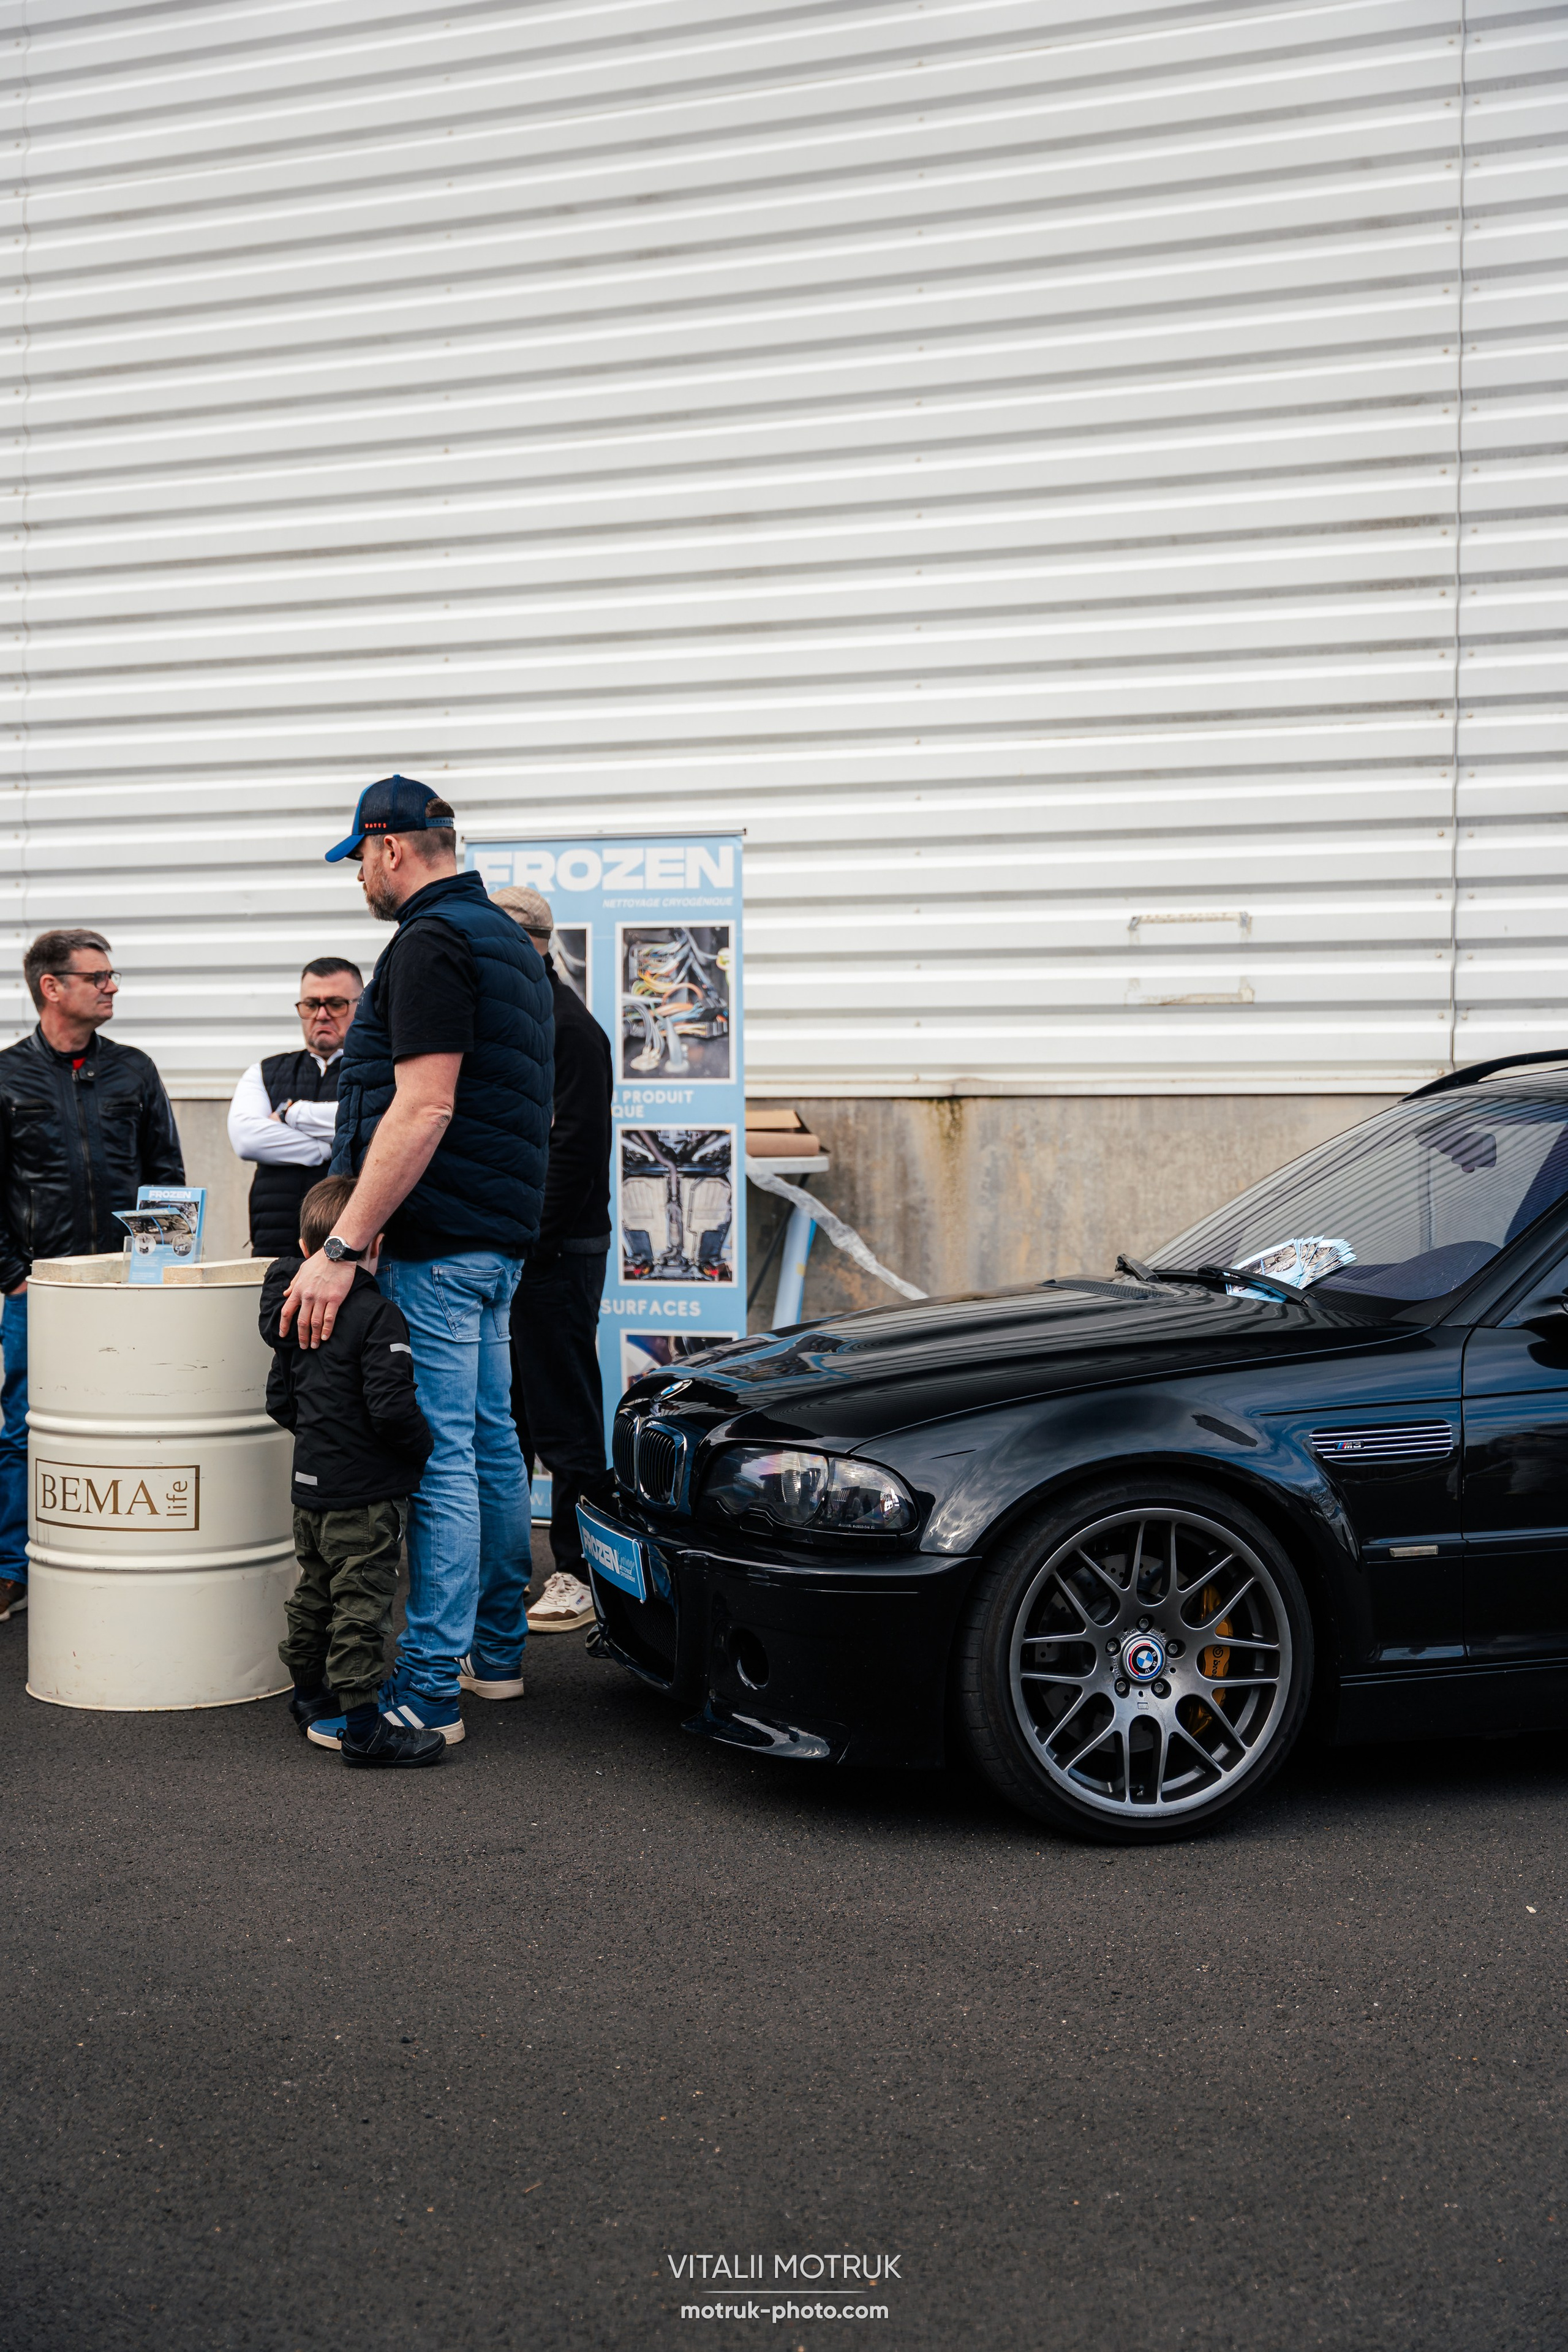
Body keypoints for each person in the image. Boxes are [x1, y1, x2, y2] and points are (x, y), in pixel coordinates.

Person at [281, 775, 552, 1744]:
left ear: (391, 847)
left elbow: (426, 1105)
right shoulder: (510, 950)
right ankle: (497, 1656)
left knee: (438, 1462)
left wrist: (343, 1244)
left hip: (435, 1249)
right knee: (484, 1448)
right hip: (494, 1241)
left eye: (357, 856)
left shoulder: (430, 942)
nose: (358, 874)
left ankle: (428, 1694)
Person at [0, 929, 184, 1624]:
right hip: (39, 1292)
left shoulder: (134, 1070)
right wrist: (14, 1275)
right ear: (53, 987)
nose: (112, 986)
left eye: (112, 976)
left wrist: (159, 1273)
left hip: (128, 1289)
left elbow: (166, 1174)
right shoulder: (6, 1077)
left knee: (139, 1419)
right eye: (98, 976)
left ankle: (123, 1553)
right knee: (25, 1428)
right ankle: (13, 1569)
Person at [260, 1172, 442, 1768]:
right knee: (361, 1606)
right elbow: (392, 1409)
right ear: (377, 1244)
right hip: (364, 1495)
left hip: (309, 1487)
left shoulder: (291, 1312)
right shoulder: (377, 1315)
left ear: (308, 1251)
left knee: (313, 1594)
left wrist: (320, 1446)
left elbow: (279, 1402)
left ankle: (308, 1697)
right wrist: (423, 1448)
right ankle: (364, 1728)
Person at [491, 886, 611, 1634]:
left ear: (525, 946)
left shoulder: (571, 1030)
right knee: (514, 1420)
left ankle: (582, 1570)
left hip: (555, 1251)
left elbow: (572, 1155)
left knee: (565, 1417)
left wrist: (520, 1240)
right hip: (521, 1248)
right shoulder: (522, 1021)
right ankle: (517, 1569)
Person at [227, 957, 364, 1256]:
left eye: (337, 1004)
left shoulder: (377, 1070)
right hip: (273, 1248)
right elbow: (247, 1139)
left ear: (362, 1004)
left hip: (349, 1249)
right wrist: (330, 1145)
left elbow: (367, 1123)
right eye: (311, 1004)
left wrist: (291, 1114)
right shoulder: (264, 1072)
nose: (322, 1015)